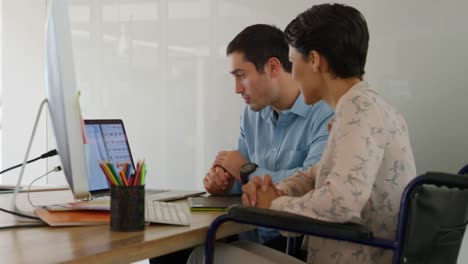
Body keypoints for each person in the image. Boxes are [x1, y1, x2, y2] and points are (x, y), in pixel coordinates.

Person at [188, 3, 417, 264]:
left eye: (293, 61)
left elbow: (341, 201)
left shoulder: (358, 110)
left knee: (202, 255)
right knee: (227, 248)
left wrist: (272, 205)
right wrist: (272, 190)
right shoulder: (362, 106)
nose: (292, 73)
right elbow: (315, 175)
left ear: (315, 61)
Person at [203, 24, 333, 247]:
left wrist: (246, 171)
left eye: (241, 76)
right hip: (249, 234)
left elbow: (316, 184)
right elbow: (238, 177)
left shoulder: (324, 113)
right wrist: (223, 183)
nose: (236, 88)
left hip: (291, 241)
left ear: (273, 67)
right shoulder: (251, 114)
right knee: (169, 254)